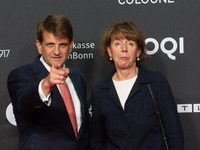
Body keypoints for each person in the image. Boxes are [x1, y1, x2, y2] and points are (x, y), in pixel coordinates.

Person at [90, 21, 184, 150]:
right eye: (117, 43)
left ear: (138, 51)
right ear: (109, 51)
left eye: (130, 43)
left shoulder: (156, 82)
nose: (124, 49)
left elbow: (174, 135)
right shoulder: (99, 89)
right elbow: (97, 141)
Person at [7, 15, 90, 150]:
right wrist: (46, 84)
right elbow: (23, 105)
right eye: (50, 44)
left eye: (62, 44)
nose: (56, 51)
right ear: (39, 46)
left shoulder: (78, 78)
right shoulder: (21, 75)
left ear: (70, 46)